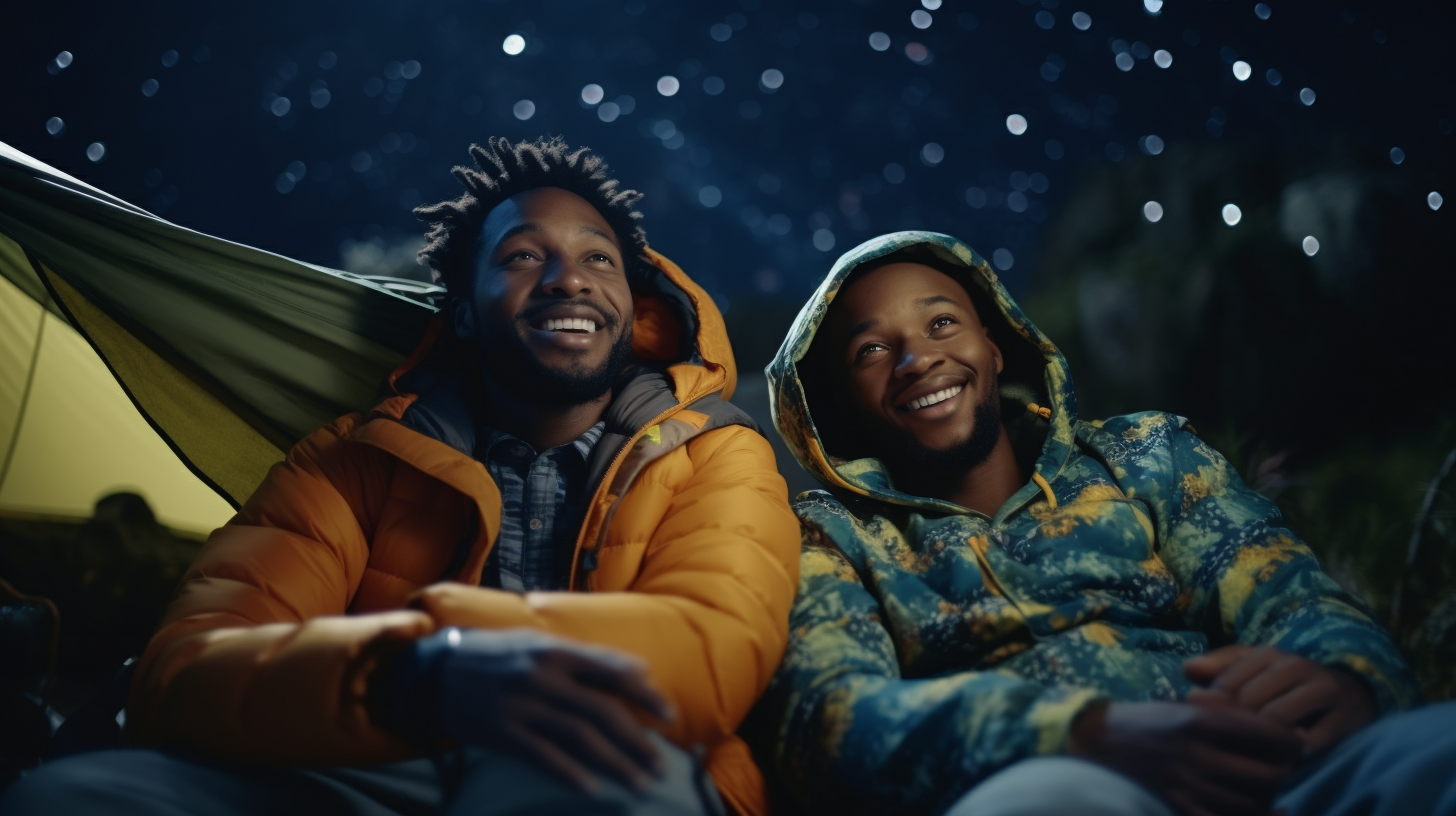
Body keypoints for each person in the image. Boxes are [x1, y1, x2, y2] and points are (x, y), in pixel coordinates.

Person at [0, 136, 799, 816]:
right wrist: (408, 675)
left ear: (636, 306)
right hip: (369, 758)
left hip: (605, 755)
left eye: (599, 257)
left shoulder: (714, 453)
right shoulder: (354, 461)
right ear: (460, 310)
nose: (567, 278)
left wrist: (468, 647)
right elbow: (186, 667)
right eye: (524, 256)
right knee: (69, 798)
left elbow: (711, 654)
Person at [752, 230, 1456, 816]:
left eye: (942, 324)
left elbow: (1290, 593)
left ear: (995, 347)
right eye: (871, 351)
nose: (917, 359)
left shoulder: (1146, 453)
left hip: (1263, 768)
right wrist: (1077, 735)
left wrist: (1350, 678)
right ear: (834, 407)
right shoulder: (827, 539)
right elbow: (830, 718)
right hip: (1043, 788)